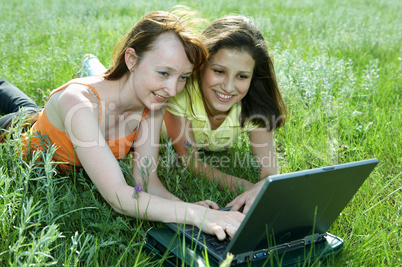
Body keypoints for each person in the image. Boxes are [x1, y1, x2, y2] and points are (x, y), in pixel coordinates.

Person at [0, 9, 244, 240]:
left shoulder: (154, 103)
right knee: (23, 112)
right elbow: (120, 197)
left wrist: (184, 208)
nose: (172, 89)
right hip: (17, 132)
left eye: (182, 77)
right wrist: (199, 215)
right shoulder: (79, 103)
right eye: (163, 73)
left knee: (29, 107)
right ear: (132, 60)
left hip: (57, 119)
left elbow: (145, 182)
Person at [163, 15, 287, 215]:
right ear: (202, 66)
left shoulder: (254, 103)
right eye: (219, 71)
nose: (228, 87)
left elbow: (269, 172)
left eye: (242, 76)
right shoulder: (181, 91)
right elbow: (190, 161)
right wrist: (247, 187)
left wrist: (262, 187)